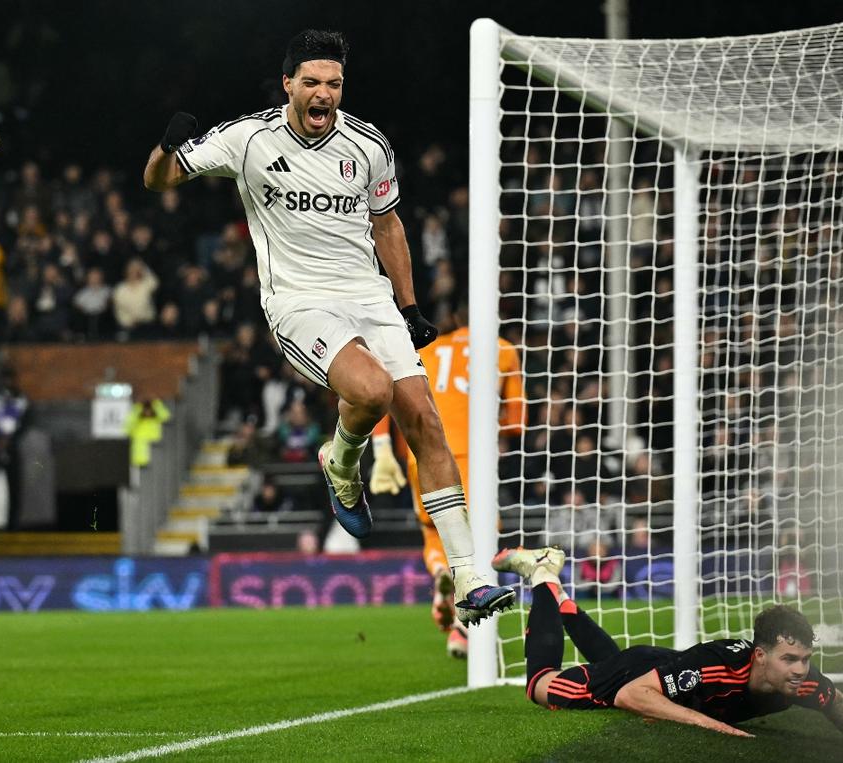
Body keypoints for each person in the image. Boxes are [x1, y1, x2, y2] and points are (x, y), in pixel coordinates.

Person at [143, 29, 513, 625]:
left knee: (424, 418)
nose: (323, 94)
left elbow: (388, 226)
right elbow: (158, 182)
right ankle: (340, 461)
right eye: (311, 82)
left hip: (369, 296)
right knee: (371, 391)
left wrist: (410, 306)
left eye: (333, 84)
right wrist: (167, 146)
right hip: (299, 301)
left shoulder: (368, 146)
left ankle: (468, 573)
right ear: (288, 84)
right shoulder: (248, 139)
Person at [491, 545, 843, 736]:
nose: (800, 669)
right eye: (789, 659)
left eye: (804, 658)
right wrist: (714, 726)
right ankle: (541, 574)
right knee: (541, 684)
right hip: (638, 673)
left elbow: (836, 704)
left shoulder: (803, 683)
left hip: (662, 666)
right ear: (760, 656)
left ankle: (562, 596)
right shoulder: (715, 668)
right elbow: (631, 694)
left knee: (613, 661)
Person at [370, 308, 526, 655]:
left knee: (432, 530)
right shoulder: (502, 349)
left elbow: (383, 393)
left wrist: (383, 450)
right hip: (472, 456)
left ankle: (440, 570)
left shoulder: (420, 349)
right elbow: (516, 423)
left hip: (420, 453)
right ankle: (462, 627)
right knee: (478, 539)